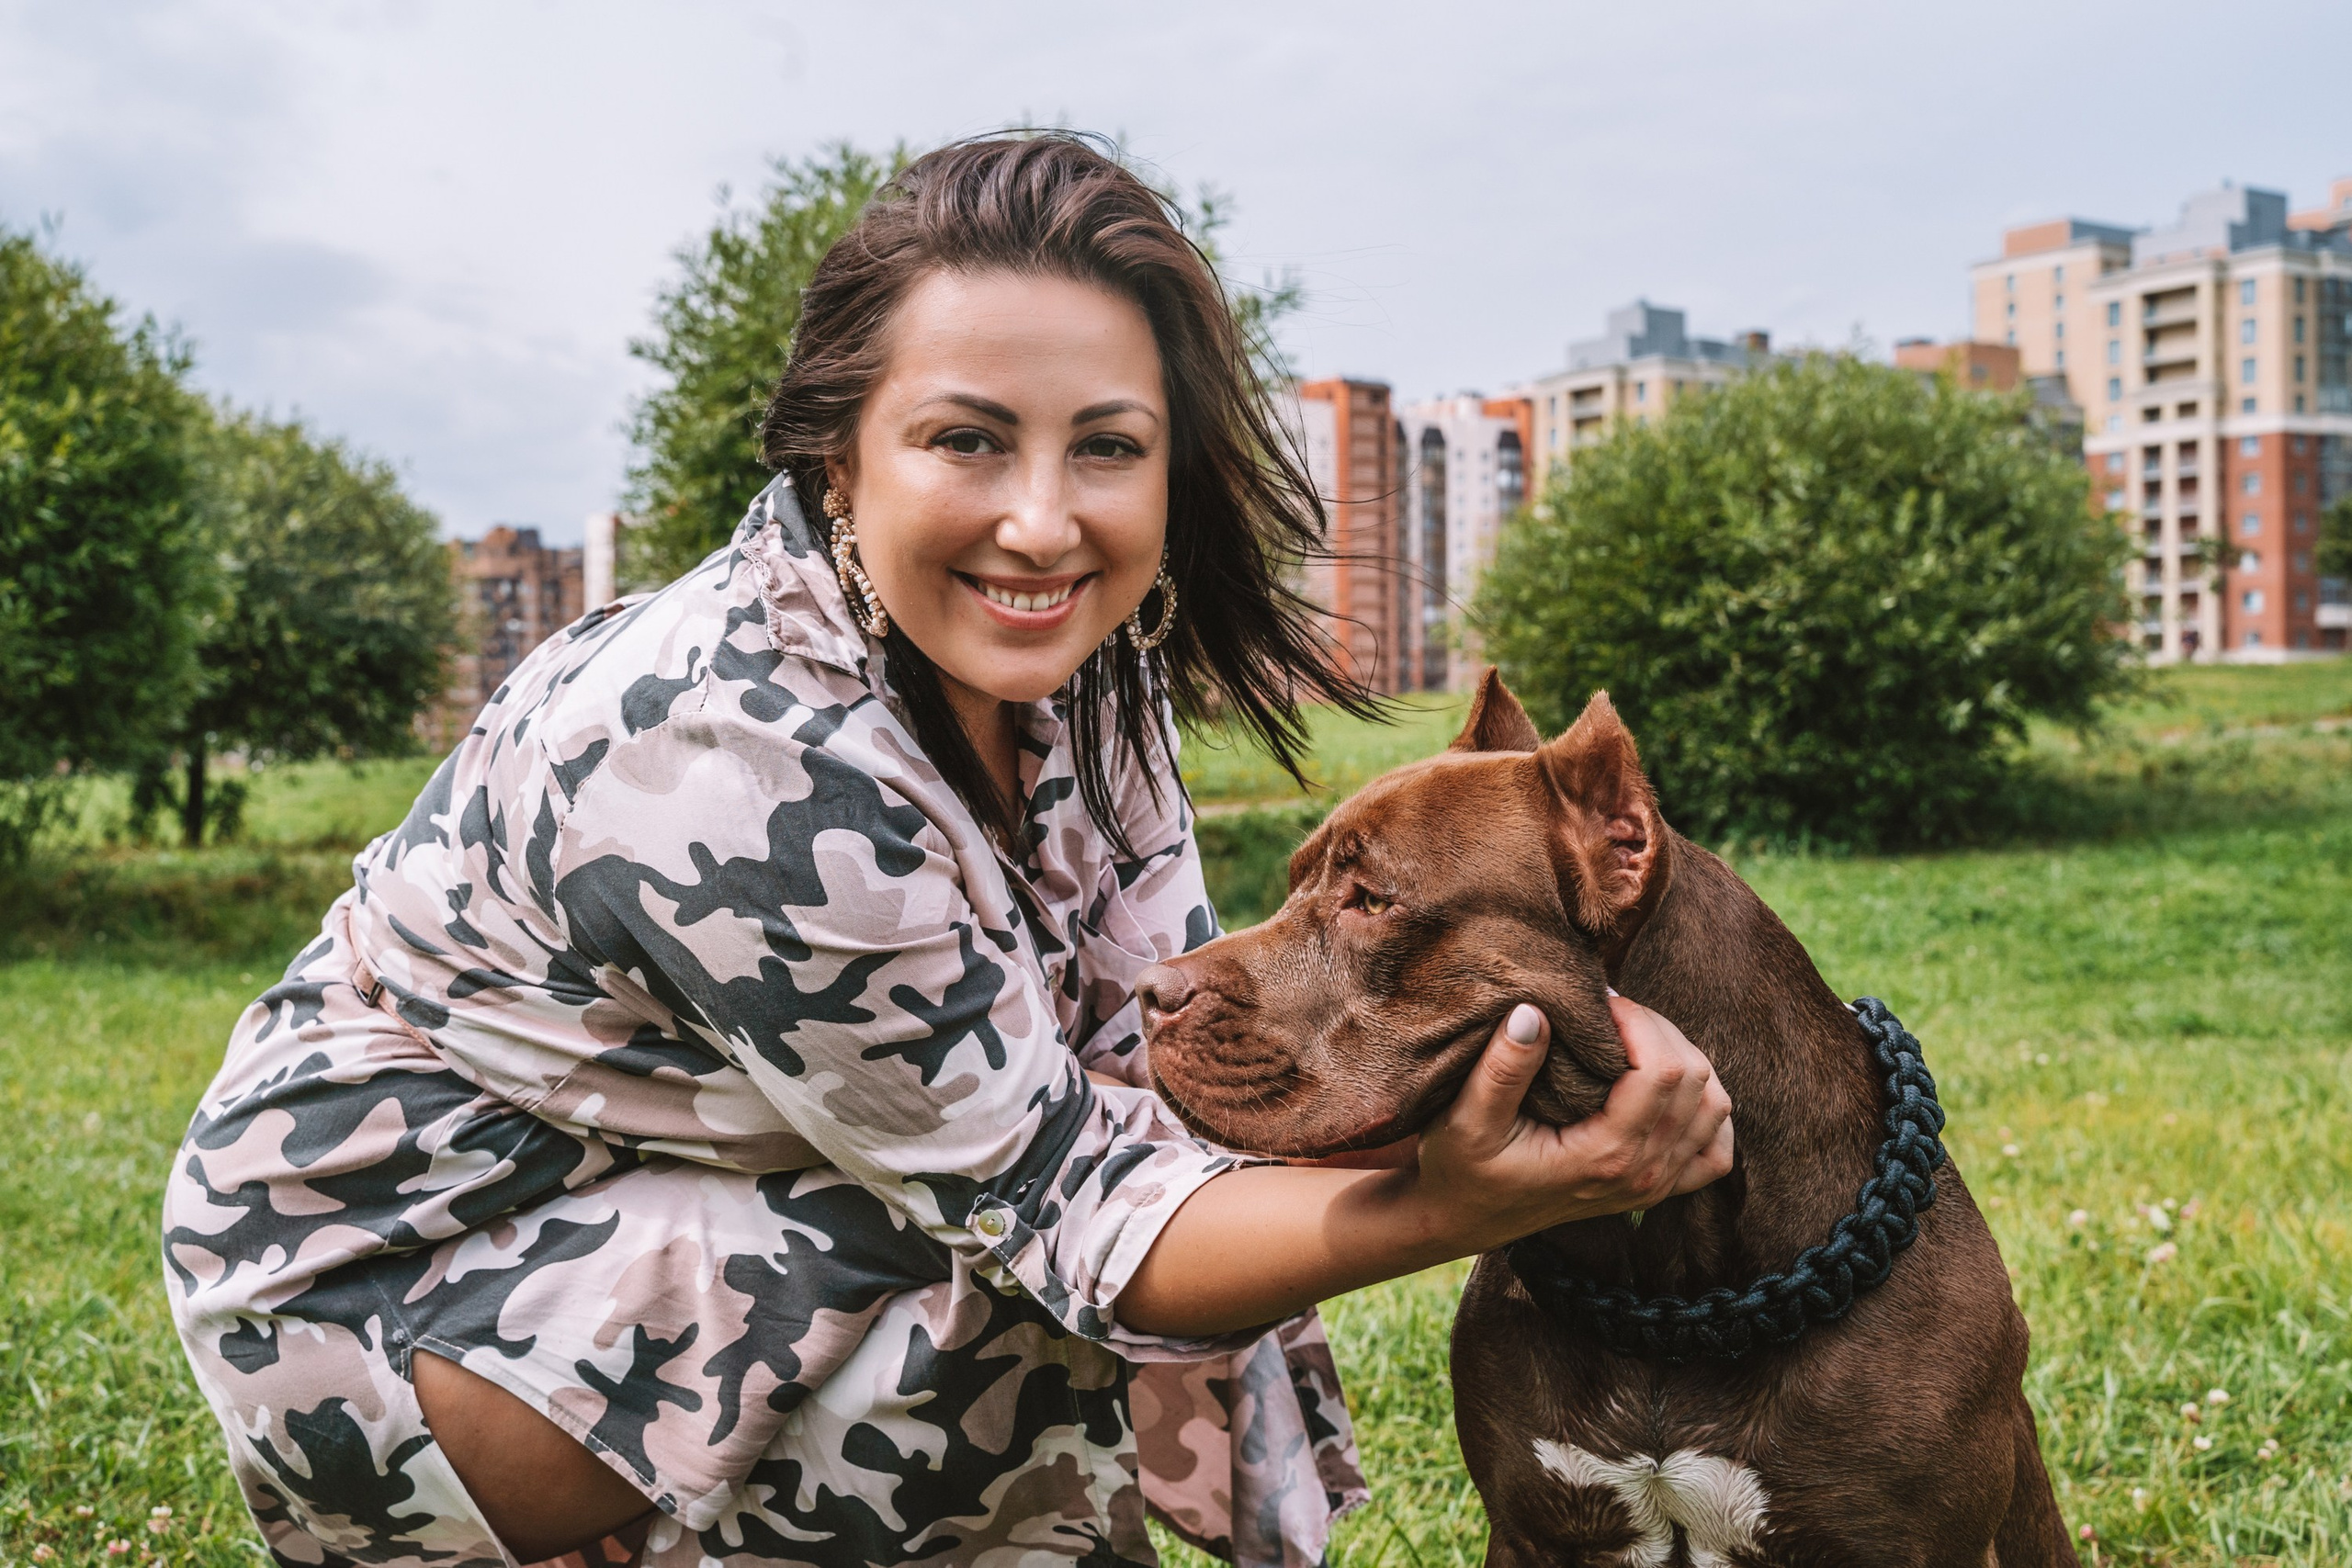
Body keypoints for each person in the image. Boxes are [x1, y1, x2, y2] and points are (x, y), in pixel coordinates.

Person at [162, 133, 1733, 1568]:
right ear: (837, 456)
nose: (1045, 524)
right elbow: (1079, 1207)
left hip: (659, 1196)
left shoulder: (1074, 664)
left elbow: (1156, 1062)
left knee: (1005, 1196)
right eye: (968, 440)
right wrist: (1460, 1202)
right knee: (980, 1268)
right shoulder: (741, 758)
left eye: (1106, 447)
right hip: (391, 1302)